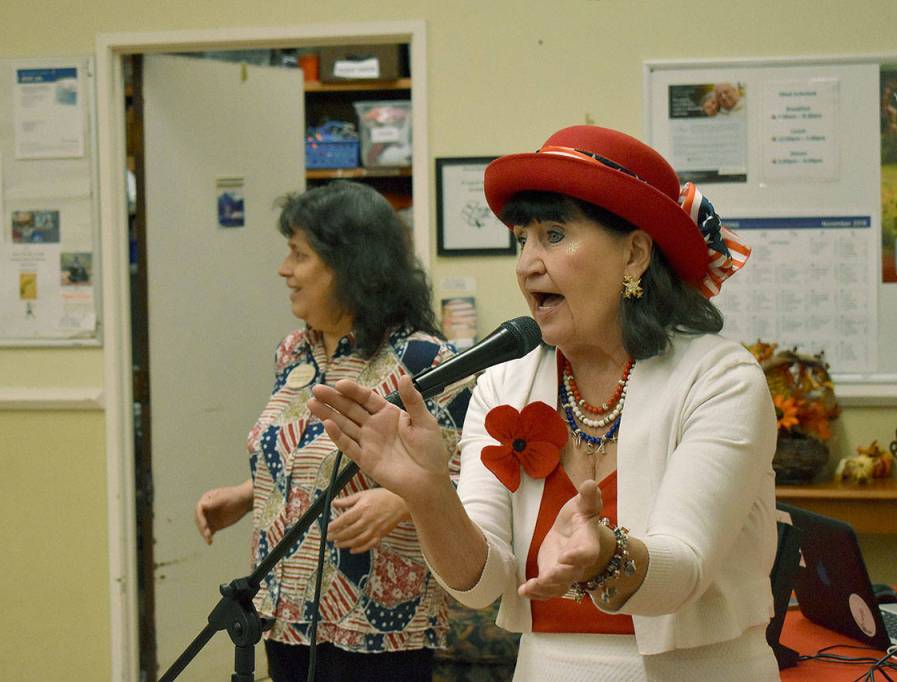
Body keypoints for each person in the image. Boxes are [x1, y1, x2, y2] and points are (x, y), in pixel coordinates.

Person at [309, 126, 779, 680]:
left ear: (634, 254)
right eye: (522, 239)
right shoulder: (504, 382)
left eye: (554, 235)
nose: (527, 263)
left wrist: (606, 556)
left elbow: (685, 571)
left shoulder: (718, 378)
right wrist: (428, 492)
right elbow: (483, 585)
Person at [194, 181, 471, 682]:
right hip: (286, 617)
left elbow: (474, 476)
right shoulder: (291, 354)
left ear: (351, 266)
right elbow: (306, 451)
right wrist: (247, 493)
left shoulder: (425, 361)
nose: (285, 270)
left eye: (299, 255)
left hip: (378, 626)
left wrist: (400, 501)